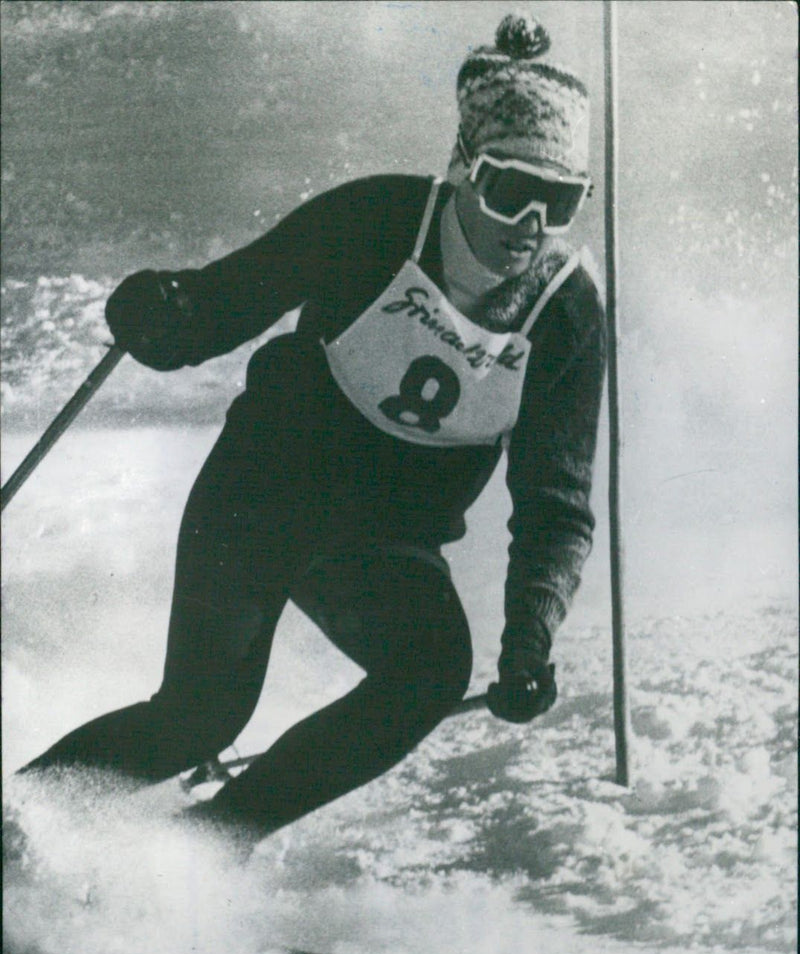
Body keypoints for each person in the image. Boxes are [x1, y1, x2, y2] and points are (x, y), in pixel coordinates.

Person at [21, 13, 606, 848]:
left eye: (562, 201)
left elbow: (556, 508)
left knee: (431, 670)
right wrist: (163, 312)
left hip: (385, 537)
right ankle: (18, 829)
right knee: (202, 714)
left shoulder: (566, 317)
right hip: (264, 486)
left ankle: (204, 854)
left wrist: (529, 640)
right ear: (464, 172)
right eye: (513, 190)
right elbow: (223, 303)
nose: (532, 226)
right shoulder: (376, 220)